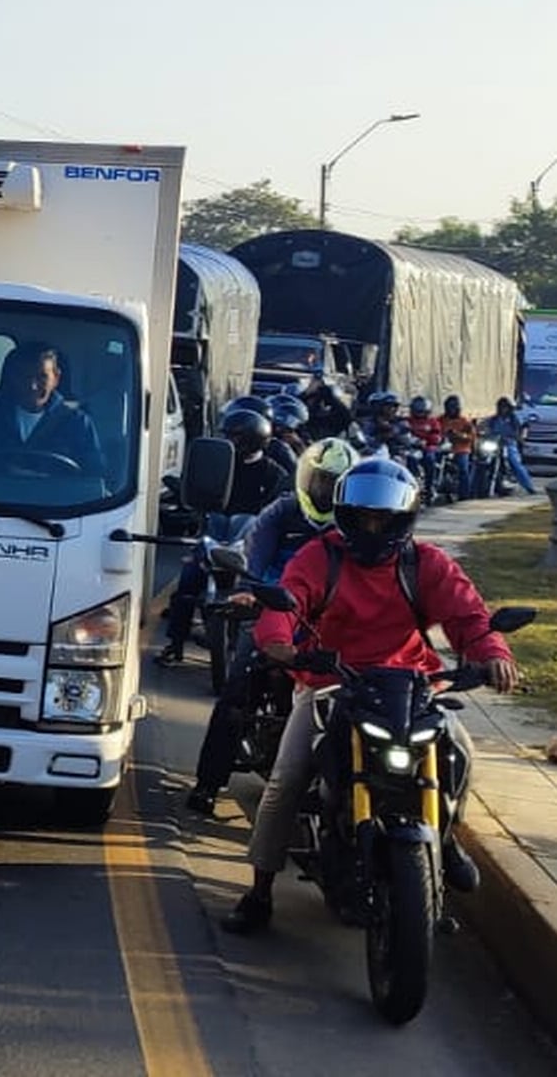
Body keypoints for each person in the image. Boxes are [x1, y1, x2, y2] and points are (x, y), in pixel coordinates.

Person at [222, 456, 517, 935]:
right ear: (346, 515)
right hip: (333, 681)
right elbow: (289, 601)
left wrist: (492, 653)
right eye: (363, 517)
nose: (373, 527)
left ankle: (445, 837)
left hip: (412, 684)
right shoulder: (321, 556)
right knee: (288, 778)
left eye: (384, 518)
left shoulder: (427, 563)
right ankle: (259, 892)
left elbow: (468, 616)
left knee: (461, 752)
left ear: (404, 519)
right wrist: (278, 642)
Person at [183, 436, 358, 816]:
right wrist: (249, 593)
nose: (325, 490)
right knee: (236, 692)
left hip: (331, 622)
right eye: (321, 481)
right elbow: (254, 558)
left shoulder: (358, 524)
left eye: (336, 483)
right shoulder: (282, 513)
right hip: (273, 612)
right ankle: (208, 783)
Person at [157, 400, 294, 667]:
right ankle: (174, 645)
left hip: (248, 542)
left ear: (254, 440)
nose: (229, 441)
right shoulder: (215, 465)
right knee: (188, 582)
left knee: (268, 589)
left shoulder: (273, 473)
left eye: (236, 437)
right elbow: (193, 487)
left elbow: (282, 506)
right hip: (215, 535)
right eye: (228, 436)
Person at [0, 341, 106, 477]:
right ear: (11, 378)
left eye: (42, 377)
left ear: (56, 378)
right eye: (24, 377)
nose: (32, 386)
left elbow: (93, 477)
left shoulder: (78, 423)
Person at [482, 397, 538, 496]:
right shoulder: (493, 419)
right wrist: (481, 431)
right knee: (481, 460)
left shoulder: (514, 419)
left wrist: (521, 437)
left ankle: (529, 487)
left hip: (508, 444)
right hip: (495, 444)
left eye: (506, 407)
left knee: (514, 462)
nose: (503, 409)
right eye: (502, 407)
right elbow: (484, 426)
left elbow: (524, 427)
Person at [440, 395, 476, 501]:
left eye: (453, 407)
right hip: (443, 448)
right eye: (449, 407)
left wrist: (459, 435)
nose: (451, 410)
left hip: (461, 449)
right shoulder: (440, 420)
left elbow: (472, 436)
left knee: (463, 468)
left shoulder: (464, 421)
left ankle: (464, 495)